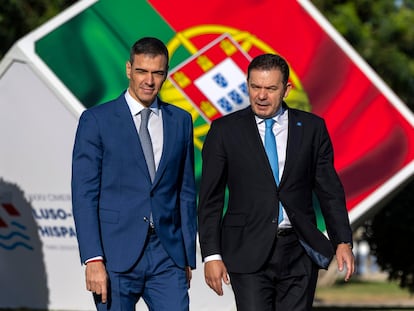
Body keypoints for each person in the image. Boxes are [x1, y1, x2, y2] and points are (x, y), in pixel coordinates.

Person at [198, 53, 354, 311]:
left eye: (270, 88)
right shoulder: (224, 131)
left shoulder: (312, 129)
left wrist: (343, 241)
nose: (261, 96)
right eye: (255, 87)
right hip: (246, 250)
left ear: (286, 89)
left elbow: (329, 190)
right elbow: (210, 199)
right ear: (247, 85)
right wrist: (212, 255)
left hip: (299, 251)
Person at [71, 37, 197, 311]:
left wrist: (186, 255)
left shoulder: (181, 121)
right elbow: (84, 195)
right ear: (129, 69)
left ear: (166, 74)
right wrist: (93, 259)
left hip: (168, 255)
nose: (149, 80)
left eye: (157, 73)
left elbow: (185, 192)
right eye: (142, 71)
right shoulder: (96, 120)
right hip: (115, 254)